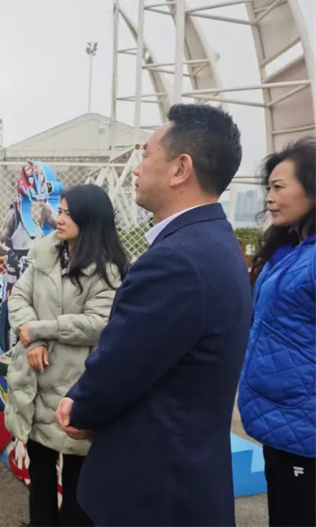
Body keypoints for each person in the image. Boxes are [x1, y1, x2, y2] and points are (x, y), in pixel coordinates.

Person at [55, 104, 253, 526]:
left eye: (145, 154)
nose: (138, 168)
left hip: (154, 490)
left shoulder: (178, 259)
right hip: (185, 475)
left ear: (181, 168)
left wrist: (82, 407)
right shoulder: (214, 241)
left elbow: (124, 361)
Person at [5, 185, 129, 527]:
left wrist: (43, 330)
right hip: (37, 375)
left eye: (67, 214)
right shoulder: (44, 253)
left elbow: (99, 324)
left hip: (76, 383)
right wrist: (33, 341)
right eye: (59, 211)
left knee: (79, 482)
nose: (58, 219)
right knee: (40, 472)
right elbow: (19, 299)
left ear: (90, 220)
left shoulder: (108, 270)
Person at [238, 137, 315, 527]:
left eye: (279, 187)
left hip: (307, 429)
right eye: (268, 187)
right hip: (281, 422)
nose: (269, 197)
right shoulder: (289, 248)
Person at [0, 162, 58, 351]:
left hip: (39, 276)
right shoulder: (14, 213)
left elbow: (60, 226)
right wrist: (12, 253)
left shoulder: (45, 209)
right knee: (13, 325)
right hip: (16, 278)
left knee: (37, 321)